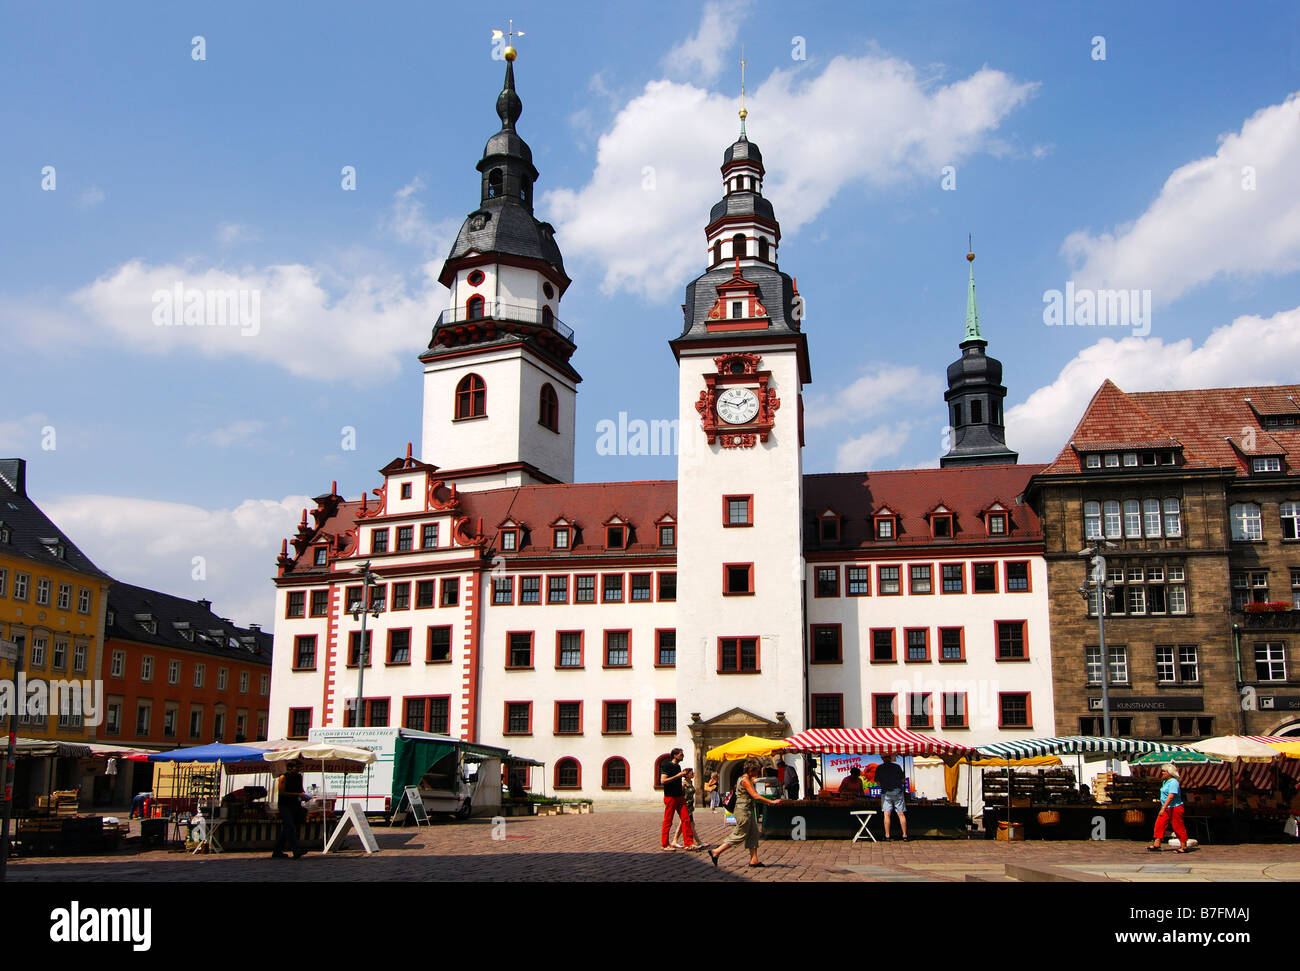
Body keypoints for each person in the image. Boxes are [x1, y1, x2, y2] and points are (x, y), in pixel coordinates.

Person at [709, 758, 780, 868]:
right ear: (751, 770)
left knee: (753, 834)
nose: (757, 773)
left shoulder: (745, 778)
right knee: (740, 834)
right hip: (743, 811)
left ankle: (754, 860)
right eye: (756, 770)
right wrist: (771, 802)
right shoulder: (745, 780)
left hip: (747, 810)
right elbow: (755, 796)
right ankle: (716, 851)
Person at [658, 748, 700, 851]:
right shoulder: (667, 765)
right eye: (681, 754)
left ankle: (689, 843)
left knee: (686, 819)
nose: (683, 756)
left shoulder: (677, 766)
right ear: (675, 755)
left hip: (680, 796)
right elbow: (663, 781)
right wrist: (678, 776)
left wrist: (681, 787)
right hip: (670, 797)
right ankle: (665, 844)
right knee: (668, 821)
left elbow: (676, 780)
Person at [272, 760, 309, 859]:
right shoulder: (283, 777)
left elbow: (300, 790)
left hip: (296, 805)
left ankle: (277, 851)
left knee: (290, 828)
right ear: (290, 768)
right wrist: (298, 795)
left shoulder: (298, 777)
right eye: (297, 768)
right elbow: (282, 793)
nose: (299, 770)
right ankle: (296, 850)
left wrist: (305, 796)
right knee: (290, 827)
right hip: (285, 805)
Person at [1149, 764, 1189, 853]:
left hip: (1175, 807)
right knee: (1159, 824)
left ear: (1170, 773)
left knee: (1177, 825)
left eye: (1164, 771)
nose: (1162, 773)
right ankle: (1157, 844)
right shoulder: (1165, 782)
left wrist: (1163, 808)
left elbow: (1171, 796)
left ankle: (1184, 846)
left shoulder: (1174, 782)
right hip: (1167, 807)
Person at [875, 754, 909, 840]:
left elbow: (877, 782)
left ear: (883, 759)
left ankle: (887, 835)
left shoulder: (879, 768)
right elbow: (902, 780)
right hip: (898, 792)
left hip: (886, 793)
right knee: (901, 814)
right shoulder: (897, 767)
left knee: (887, 814)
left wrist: (884, 785)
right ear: (890, 758)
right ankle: (904, 835)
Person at [671, 771, 698, 848]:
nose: (693, 774)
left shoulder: (691, 782)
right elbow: (680, 794)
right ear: (687, 775)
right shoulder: (683, 784)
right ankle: (697, 842)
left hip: (690, 805)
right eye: (691, 773)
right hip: (685, 805)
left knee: (686, 823)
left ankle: (675, 840)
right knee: (689, 824)